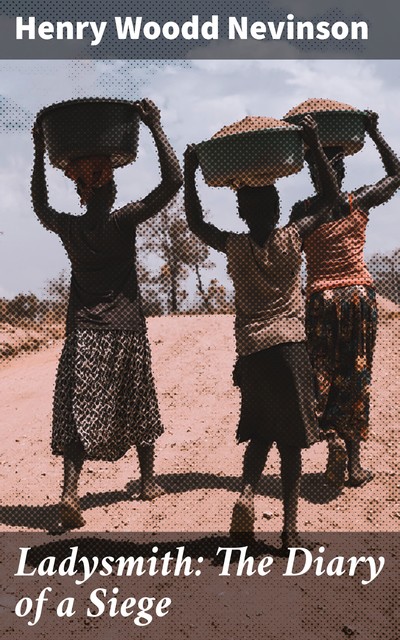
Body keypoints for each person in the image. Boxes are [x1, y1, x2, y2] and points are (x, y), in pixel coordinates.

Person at [184, 116, 340, 548]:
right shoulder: (293, 236)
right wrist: (312, 143)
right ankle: (290, 530)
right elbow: (328, 198)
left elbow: (197, 225)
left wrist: (192, 172)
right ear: (275, 207)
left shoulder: (234, 246)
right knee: (290, 443)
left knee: (259, 433)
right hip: (290, 348)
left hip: (252, 352)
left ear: (241, 212)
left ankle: (247, 493)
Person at [31, 98, 183, 530]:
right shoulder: (123, 221)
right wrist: (154, 126)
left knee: (80, 411)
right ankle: (149, 480)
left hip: (85, 333)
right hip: (126, 329)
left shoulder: (71, 228)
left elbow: (40, 205)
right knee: (139, 403)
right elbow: (172, 182)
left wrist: (41, 151)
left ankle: (69, 493)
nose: (115, 183)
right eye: (110, 177)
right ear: (106, 188)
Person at [290, 111, 400, 489]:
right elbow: (397, 173)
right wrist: (374, 130)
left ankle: (331, 437)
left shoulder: (301, 212)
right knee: (356, 377)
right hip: (358, 298)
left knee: (320, 376)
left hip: (321, 298)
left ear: (312, 172)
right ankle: (353, 466)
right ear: (343, 173)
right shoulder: (359, 201)